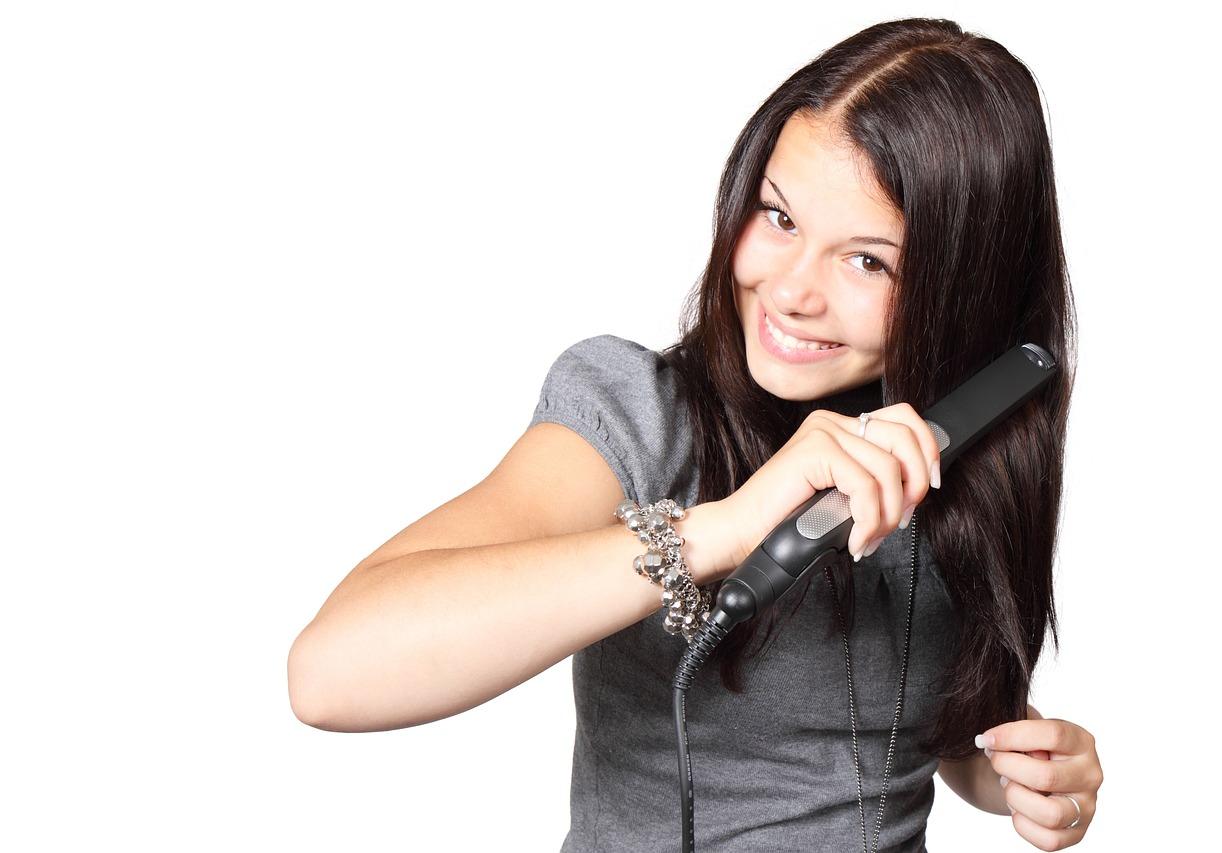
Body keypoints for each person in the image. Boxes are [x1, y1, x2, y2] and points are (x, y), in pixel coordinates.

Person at [287, 16, 1104, 852]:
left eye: (867, 260)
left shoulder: (954, 447)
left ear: (964, 288)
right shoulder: (635, 413)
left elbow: (928, 729)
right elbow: (332, 673)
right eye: (779, 217)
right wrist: (723, 528)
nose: (788, 291)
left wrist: (1015, 769)